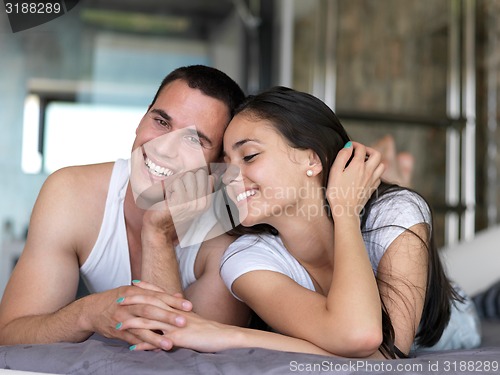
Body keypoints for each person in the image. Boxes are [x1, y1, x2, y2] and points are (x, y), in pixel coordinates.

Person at [120, 86, 481, 358]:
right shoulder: (245, 257)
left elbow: (386, 355)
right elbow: (360, 341)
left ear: (311, 159)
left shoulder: (396, 212)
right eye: (226, 162)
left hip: (454, 317)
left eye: (249, 156)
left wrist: (230, 335)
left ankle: (387, 172)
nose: (231, 175)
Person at [0, 65, 251, 350]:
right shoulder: (71, 194)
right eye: (161, 122)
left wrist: (157, 234)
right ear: (142, 118)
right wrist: (87, 314)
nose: (165, 149)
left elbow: (176, 361)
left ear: (219, 165)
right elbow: (9, 334)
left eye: (194, 140)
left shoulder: (229, 242)